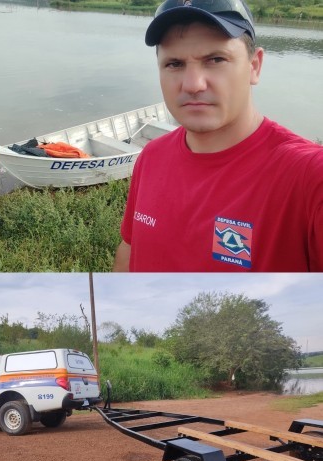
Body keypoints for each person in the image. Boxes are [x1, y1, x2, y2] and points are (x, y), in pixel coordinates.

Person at [114, 0, 323, 272]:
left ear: (255, 66)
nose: (192, 85)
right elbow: (130, 248)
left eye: (215, 59)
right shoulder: (151, 157)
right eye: (174, 64)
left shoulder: (308, 176)